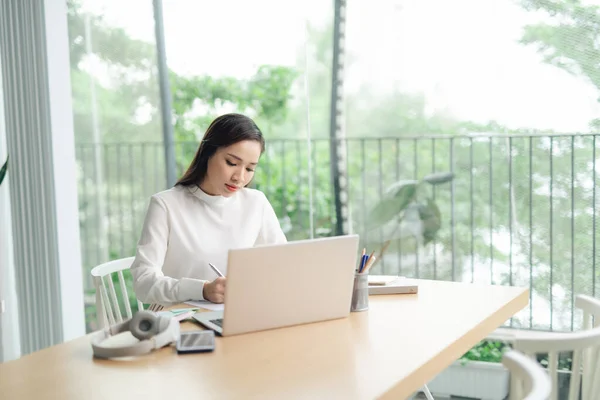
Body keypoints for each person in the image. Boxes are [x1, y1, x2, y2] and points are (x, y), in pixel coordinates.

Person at [130, 113, 287, 306]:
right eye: (232, 163)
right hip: (180, 319)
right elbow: (143, 283)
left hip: (236, 313)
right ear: (208, 153)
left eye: (249, 169)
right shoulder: (166, 205)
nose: (239, 177)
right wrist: (202, 290)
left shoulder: (256, 203)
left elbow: (282, 265)